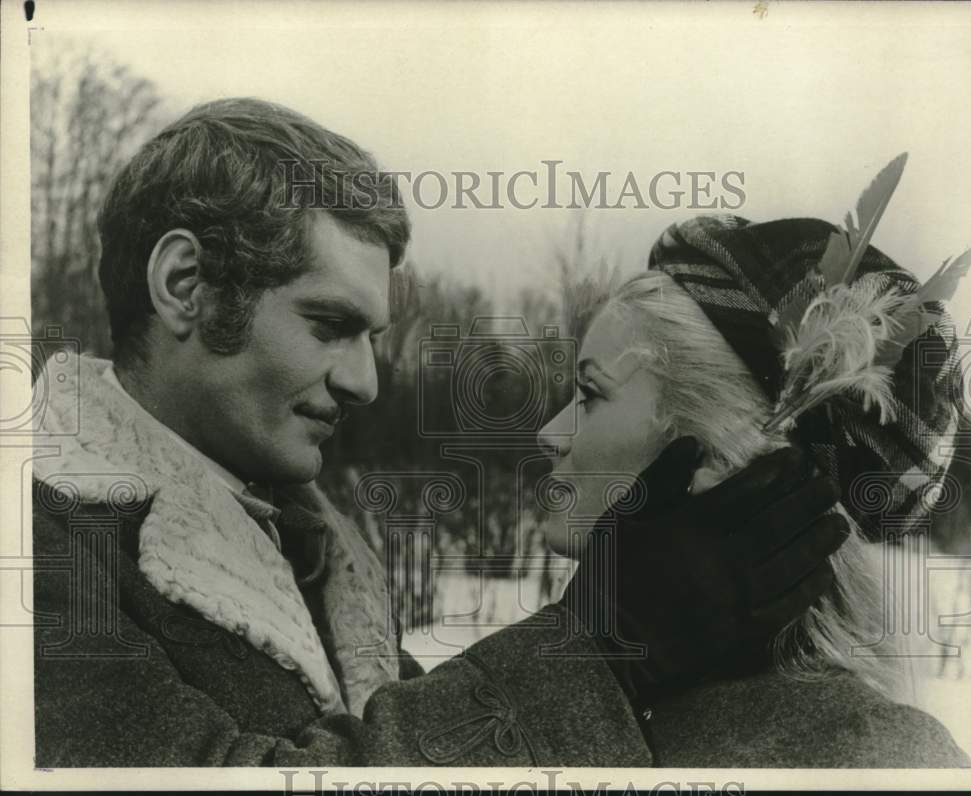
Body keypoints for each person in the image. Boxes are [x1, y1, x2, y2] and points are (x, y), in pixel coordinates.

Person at [32, 98, 845, 767]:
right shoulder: (36, 550)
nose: (365, 382)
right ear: (185, 286)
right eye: (328, 325)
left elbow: (396, 737)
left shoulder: (314, 546)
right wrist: (600, 646)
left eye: (373, 338)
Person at [537, 213, 971, 767]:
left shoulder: (874, 757)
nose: (549, 434)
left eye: (590, 393)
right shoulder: (629, 685)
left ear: (720, 451)